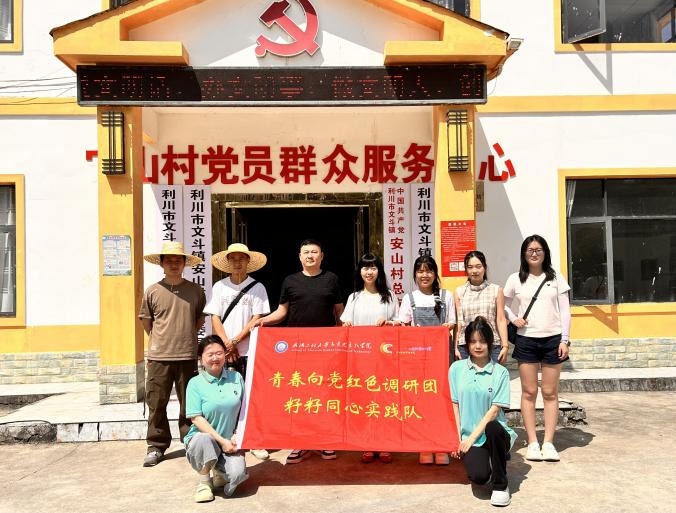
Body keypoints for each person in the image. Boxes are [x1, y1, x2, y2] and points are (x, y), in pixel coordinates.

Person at [252, 239, 344, 464]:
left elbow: (340, 314)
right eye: (306, 252)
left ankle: (324, 441)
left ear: (322, 256)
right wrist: (262, 321)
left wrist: (342, 339)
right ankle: (301, 443)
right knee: (299, 396)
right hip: (297, 350)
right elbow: (282, 312)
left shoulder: (331, 279)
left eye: (314, 252)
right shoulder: (290, 281)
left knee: (324, 395)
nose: (310, 255)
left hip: (325, 349)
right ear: (299, 256)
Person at [503, 234, 571, 462]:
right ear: (524, 253)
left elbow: (565, 311)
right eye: (530, 250)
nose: (534, 253)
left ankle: (549, 442)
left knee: (550, 392)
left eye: (538, 249)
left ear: (545, 253)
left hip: (553, 340)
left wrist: (565, 339)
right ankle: (533, 442)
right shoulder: (515, 279)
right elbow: (503, 305)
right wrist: (514, 318)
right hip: (526, 341)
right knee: (529, 392)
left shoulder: (556, 277)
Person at [139, 242, 206, 467]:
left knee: (190, 404)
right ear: (161, 264)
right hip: (159, 357)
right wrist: (161, 340)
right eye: (169, 260)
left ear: (185, 263)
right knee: (157, 402)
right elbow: (147, 321)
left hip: (187, 355)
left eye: (178, 260)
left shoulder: (195, 290)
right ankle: (156, 446)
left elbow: (199, 319)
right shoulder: (153, 290)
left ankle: (190, 441)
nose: (174, 264)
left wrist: (184, 336)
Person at [204, 242, 270, 461]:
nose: (237, 262)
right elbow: (214, 316)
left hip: (250, 349)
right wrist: (226, 344)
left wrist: (236, 340)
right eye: (233, 259)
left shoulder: (258, 287)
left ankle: (254, 439)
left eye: (242, 258)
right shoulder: (219, 286)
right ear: (228, 262)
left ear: (248, 261)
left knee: (251, 394)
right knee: (227, 395)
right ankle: (229, 437)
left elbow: (257, 318)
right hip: (224, 352)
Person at [449, 317, 517, 508]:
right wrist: (457, 439)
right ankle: (490, 461)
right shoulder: (456, 369)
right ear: (467, 344)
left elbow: (494, 412)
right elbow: (455, 406)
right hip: (469, 436)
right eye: (473, 341)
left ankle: (501, 485)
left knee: (493, 428)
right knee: (478, 477)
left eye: (482, 341)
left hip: (494, 433)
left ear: (490, 343)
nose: (478, 346)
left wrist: (471, 439)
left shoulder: (500, 372)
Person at [341, 253, 399, 464]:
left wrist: (389, 323)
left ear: (379, 271)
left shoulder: (389, 296)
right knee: (364, 400)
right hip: (360, 359)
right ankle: (367, 443)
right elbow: (345, 323)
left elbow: (399, 323)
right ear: (360, 271)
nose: (369, 272)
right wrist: (346, 325)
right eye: (365, 268)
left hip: (384, 358)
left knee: (383, 399)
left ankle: (384, 443)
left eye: (373, 267)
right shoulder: (354, 297)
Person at [398, 254, 456, 466]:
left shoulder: (446, 296)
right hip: (418, 359)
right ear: (415, 274)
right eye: (420, 271)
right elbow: (403, 326)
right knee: (421, 401)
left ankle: (441, 447)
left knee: (442, 400)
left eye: (429, 270)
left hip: (441, 357)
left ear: (435, 273)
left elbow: (452, 322)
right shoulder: (409, 298)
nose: (425, 275)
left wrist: (445, 328)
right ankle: (424, 446)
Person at [184, 335, 249, 503]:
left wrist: (237, 434)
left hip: (230, 442)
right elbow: (196, 419)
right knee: (204, 439)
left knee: (238, 475)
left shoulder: (236, 378)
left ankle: (219, 472)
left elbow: (245, 411)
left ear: (225, 355)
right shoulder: (195, 383)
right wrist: (222, 441)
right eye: (210, 354)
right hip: (204, 440)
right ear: (201, 358)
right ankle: (204, 481)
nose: (215, 358)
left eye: (219, 353)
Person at [454, 251, 509, 364]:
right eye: (470, 267)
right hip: (465, 346)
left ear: (485, 267)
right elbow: (458, 322)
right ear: (466, 269)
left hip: (492, 345)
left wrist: (505, 346)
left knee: (492, 375)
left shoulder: (496, 290)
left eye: (478, 266)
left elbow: (501, 319)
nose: (474, 271)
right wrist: (455, 347)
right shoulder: (459, 292)